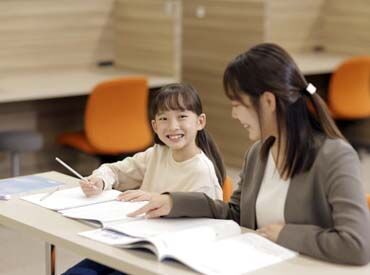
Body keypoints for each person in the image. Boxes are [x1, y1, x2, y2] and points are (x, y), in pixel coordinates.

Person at [129, 43, 370, 265]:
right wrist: (174, 201)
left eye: (237, 105)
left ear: (267, 102)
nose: (234, 115)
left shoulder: (334, 156)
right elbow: (235, 213)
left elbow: (357, 245)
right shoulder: (258, 153)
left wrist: (285, 234)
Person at [63, 83, 225, 274]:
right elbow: (116, 170)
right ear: (155, 126)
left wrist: (152, 199)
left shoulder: (201, 171)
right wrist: (100, 180)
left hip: (164, 259)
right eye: (164, 118)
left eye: (182, 117)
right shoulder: (157, 153)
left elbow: (204, 232)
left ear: (200, 121)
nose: (173, 126)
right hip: (132, 243)